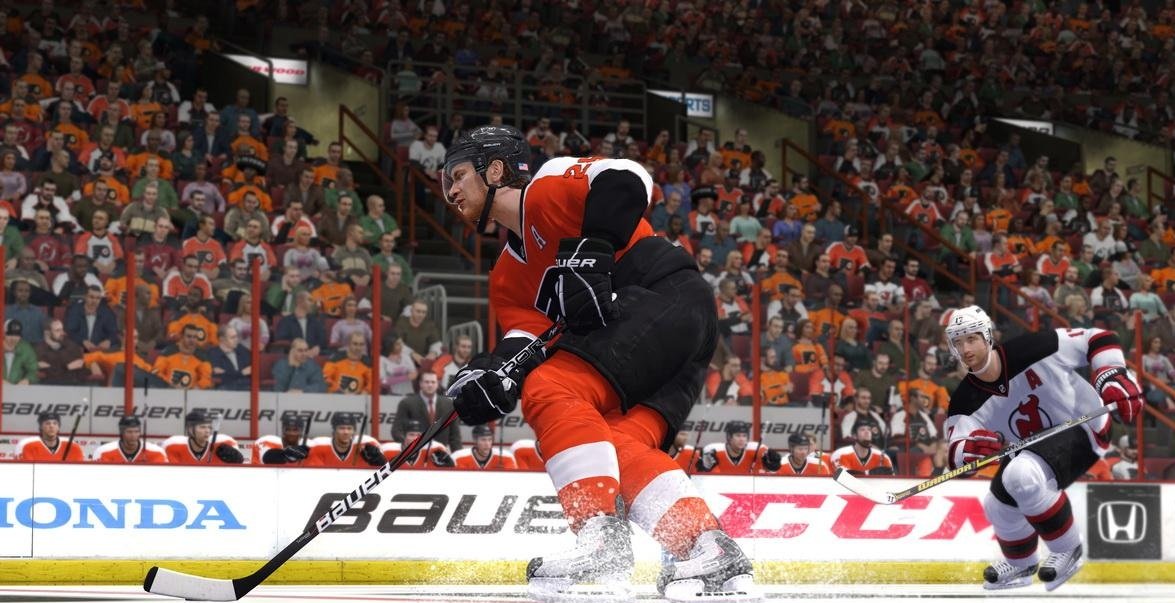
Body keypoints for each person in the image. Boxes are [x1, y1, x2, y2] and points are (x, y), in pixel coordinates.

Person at [442, 125, 756, 601]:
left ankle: (600, 538)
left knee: (551, 388)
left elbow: (629, 176)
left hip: (661, 293)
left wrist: (595, 247)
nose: (450, 191)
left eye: (459, 175)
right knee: (616, 443)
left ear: (496, 170)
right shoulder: (506, 276)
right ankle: (709, 549)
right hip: (667, 337)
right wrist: (492, 374)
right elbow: (525, 342)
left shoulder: (547, 186)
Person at [942, 305, 1142, 591]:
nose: (965, 349)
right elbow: (956, 452)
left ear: (987, 336)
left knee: (1021, 475)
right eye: (958, 342)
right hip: (1032, 450)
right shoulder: (963, 401)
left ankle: (1068, 549)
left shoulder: (1034, 348)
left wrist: (1111, 374)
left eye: (971, 339)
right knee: (997, 506)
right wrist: (967, 452)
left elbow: (1098, 338)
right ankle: (1021, 563)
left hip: (1085, 427)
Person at [391, 372, 461, 451]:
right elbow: (397, 430)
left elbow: (455, 435)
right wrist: (407, 448)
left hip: (439, 452)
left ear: (437, 384)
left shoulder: (449, 405)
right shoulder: (407, 403)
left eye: (433, 382)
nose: (430, 385)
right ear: (420, 384)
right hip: (415, 452)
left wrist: (457, 454)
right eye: (427, 382)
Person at [162, 410, 245, 465]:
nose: (207, 431)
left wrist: (237, 459)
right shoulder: (172, 445)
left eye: (209, 427)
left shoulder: (224, 442)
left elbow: (240, 466)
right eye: (202, 427)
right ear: (190, 429)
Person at [305, 413, 384, 468]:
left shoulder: (367, 444)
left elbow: (385, 470)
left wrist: (378, 460)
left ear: (354, 431)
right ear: (334, 430)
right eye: (342, 428)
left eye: (349, 428)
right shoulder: (319, 446)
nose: (346, 432)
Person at [694, 421, 767, 475]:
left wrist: (770, 465)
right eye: (738, 435)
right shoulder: (714, 451)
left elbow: (770, 471)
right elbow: (709, 478)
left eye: (744, 436)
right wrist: (706, 468)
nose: (741, 439)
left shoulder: (757, 449)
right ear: (729, 437)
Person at [378, 418, 455, 468]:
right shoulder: (387, 450)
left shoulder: (435, 450)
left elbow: (450, 471)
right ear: (403, 436)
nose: (416, 438)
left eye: (418, 435)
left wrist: (447, 466)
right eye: (411, 435)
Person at [92, 416, 168, 463]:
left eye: (136, 432)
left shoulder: (157, 452)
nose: (133, 435)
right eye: (129, 432)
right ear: (122, 432)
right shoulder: (103, 452)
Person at [16, 411, 85, 461]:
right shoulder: (28, 445)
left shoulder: (73, 446)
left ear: (58, 427)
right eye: (47, 423)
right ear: (41, 426)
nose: (51, 426)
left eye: (55, 423)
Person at [762, 433, 830, 476]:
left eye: (806, 448)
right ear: (791, 449)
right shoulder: (779, 465)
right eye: (800, 449)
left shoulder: (820, 465)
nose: (804, 452)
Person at [453, 424, 517, 469]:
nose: (487, 444)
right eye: (483, 440)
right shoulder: (459, 457)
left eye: (490, 440)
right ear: (475, 440)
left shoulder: (506, 457)